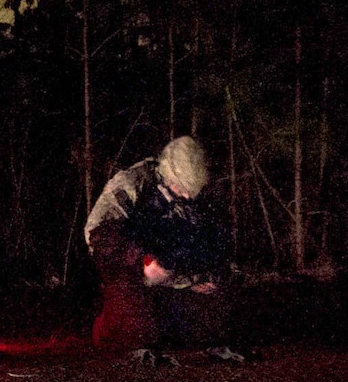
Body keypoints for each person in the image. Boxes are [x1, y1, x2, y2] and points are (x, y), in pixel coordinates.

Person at [84, 136, 244, 365]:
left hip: (172, 275)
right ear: (169, 174)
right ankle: (123, 337)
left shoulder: (194, 194)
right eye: (183, 187)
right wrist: (142, 262)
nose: (188, 196)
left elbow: (209, 243)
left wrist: (200, 278)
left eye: (193, 189)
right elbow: (97, 235)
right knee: (135, 319)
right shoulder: (133, 182)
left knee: (215, 306)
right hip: (133, 272)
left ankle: (188, 337)